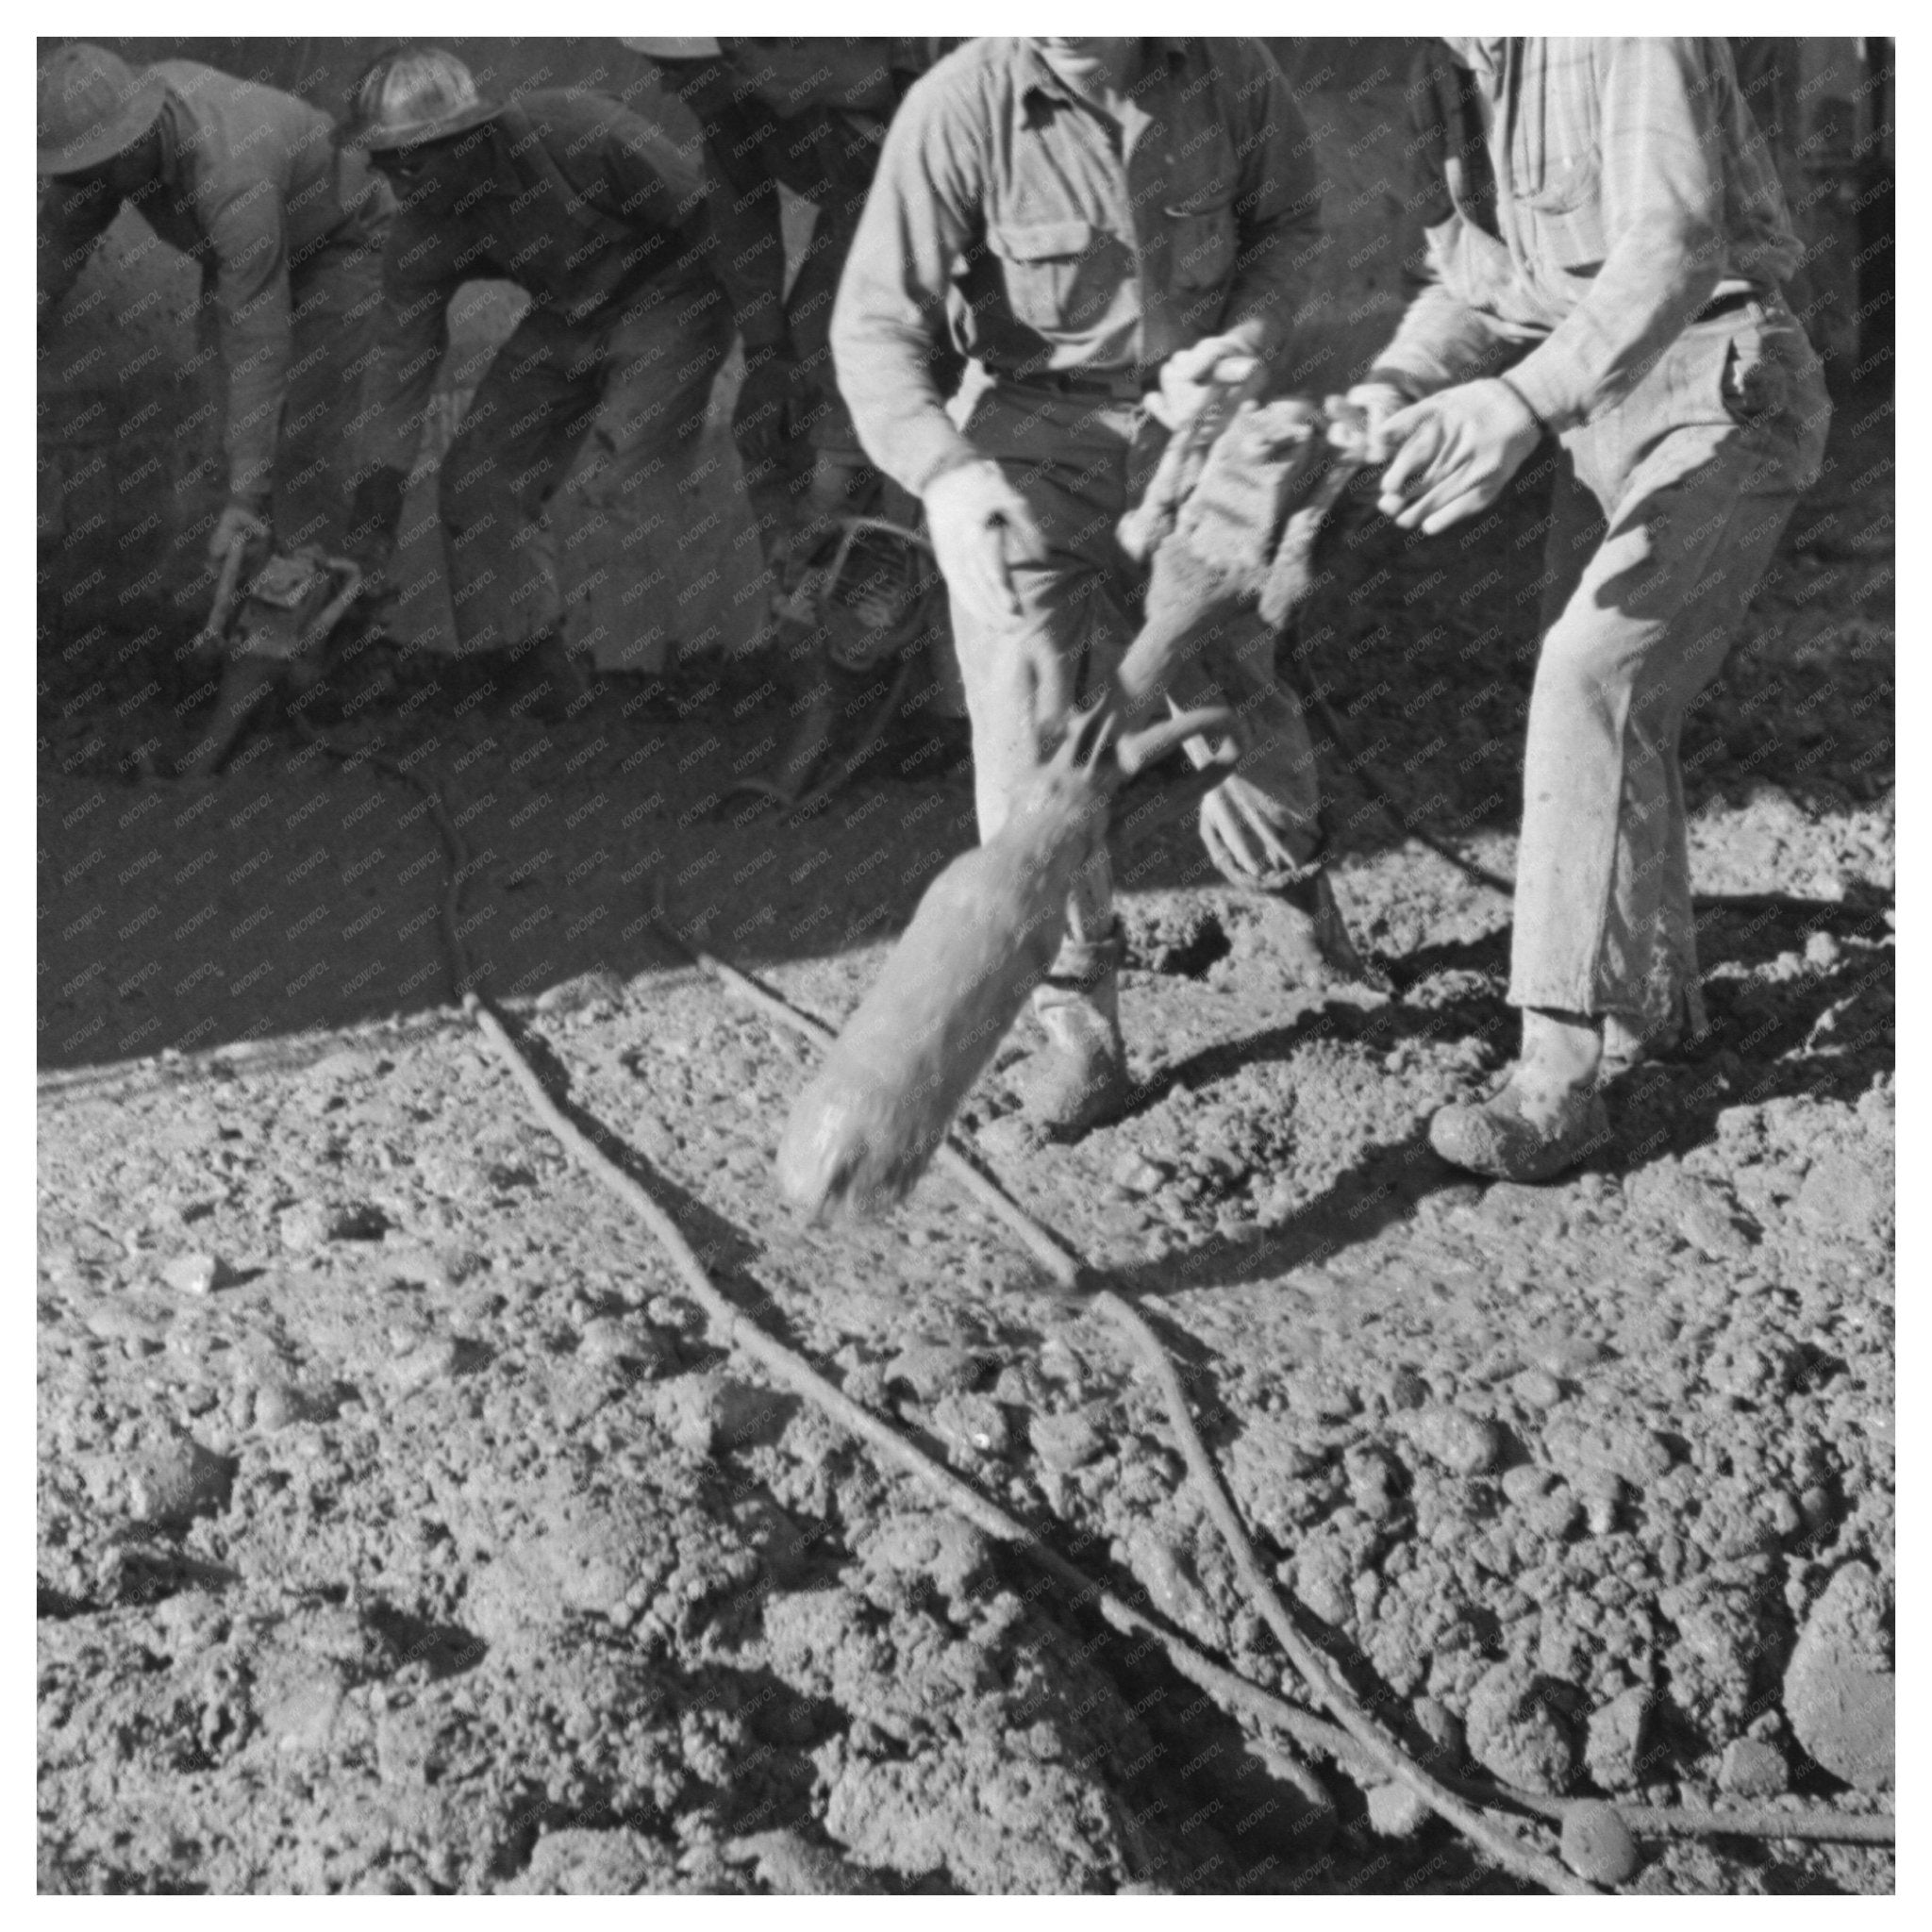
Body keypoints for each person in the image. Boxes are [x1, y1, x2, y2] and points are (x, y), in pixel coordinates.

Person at [832, 36, 1360, 1137]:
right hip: (1031, 439)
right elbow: (875, 326)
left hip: (1202, 427)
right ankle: (1078, 1023)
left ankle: (1288, 885)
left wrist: (1245, 340)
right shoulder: (959, 107)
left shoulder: (1226, 71)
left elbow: (1289, 225)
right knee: (1030, 725)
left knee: (1226, 690)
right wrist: (945, 475)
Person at [1341, 37, 1831, 1181]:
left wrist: (1515, 400)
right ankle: (1658, 1011)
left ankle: (1556, 1080)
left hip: (1722, 385)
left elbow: (1671, 248)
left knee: (1586, 673)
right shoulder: (1442, 69)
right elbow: (1475, 291)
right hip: (1592, 416)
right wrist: (1393, 385)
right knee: (1614, 707)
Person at [343, 46, 731, 695]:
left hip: (672, 290)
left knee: (624, 471)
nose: (400, 185)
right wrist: (373, 511)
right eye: (384, 165)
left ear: (467, 138)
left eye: (413, 161)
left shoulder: (580, 129)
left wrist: (774, 351)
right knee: (474, 476)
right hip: (566, 312)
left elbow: (708, 219)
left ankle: (634, 683)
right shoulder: (421, 233)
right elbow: (399, 368)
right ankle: (523, 671)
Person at [37, 42, 391, 578]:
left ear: (144, 132)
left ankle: (305, 603)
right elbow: (55, 250)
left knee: (307, 434)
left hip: (340, 238)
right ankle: (216, 585)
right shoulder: (107, 152)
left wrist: (248, 495)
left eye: (104, 167)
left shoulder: (232, 170)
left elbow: (257, 336)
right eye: (82, 171)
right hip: (238, 248)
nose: (95, 186)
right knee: (214, 418)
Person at [631, 37, 947, 563]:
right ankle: (823, 595)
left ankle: (900, 583)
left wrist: (830, 472)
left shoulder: (918, 66)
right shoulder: (736, 102)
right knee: (774, 415)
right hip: (861, 221)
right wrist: (766, 352)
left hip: (959, 234)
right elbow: (742, 218)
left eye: (674, 68)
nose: (665, 86)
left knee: (875, 393)